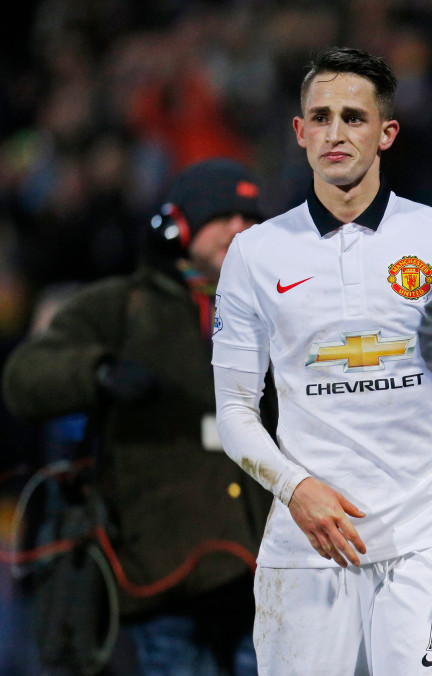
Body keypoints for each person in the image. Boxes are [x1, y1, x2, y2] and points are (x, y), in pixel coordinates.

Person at [211, 47, 432, 676]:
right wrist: (296, 488)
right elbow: (234, 410)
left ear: (386, 132)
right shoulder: (255, 254)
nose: (335, 132)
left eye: (353, 116)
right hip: (307, 544)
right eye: (320, 117)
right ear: (299, 132)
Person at [2, 158, 272, 675]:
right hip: (159, 576)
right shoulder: (118, 307)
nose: (239, 228)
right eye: (223, 215)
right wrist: (97, 372)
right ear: (177, 225)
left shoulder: (279, 308)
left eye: (250, 217)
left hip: (264, 576)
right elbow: (24, 377)